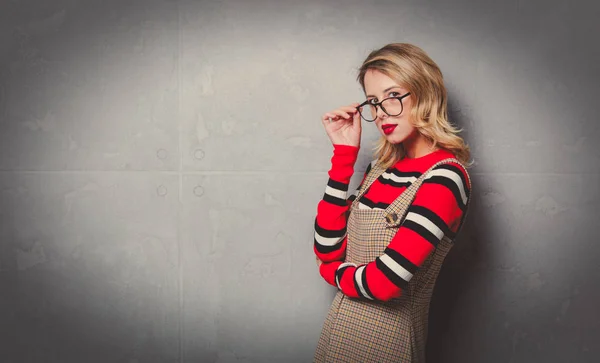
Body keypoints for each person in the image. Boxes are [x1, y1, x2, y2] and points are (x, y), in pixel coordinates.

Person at [312, 43, 473, 363]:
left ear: (425, 94)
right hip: (338, 336)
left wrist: (332, 275)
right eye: (373, 101)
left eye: (393, 96)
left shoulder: (444, 178)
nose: (382, 111)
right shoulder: (379, 171)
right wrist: (344, 156)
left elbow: (385, 282)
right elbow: (327, 248)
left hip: (387, 345)